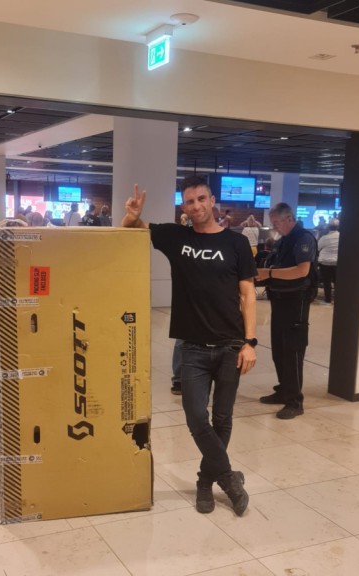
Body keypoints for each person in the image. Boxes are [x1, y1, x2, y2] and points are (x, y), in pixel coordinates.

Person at [122, 175, 257, 516]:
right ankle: (227, 478)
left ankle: (203, 481)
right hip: (193, 349)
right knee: (197, 416)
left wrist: (250, 342)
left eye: (201, 199)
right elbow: (130, 230)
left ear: (212, 201)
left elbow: (247, 294)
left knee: (223, 419)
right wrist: (131, 214)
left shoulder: (236, 243)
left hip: (230, 345)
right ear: (184, 207)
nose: (196, 206)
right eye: (189, 201)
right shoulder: (175, 236)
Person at [255, 202, 317, 420]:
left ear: (289, 219)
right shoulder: (283, 241)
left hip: (296, 302)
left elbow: (301, 271)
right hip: (279, 301)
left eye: (277, 223)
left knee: (293, 351)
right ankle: (284, 390)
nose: (275, 228)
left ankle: (295, 401)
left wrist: (269, 274)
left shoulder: (303, 239)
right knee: (279, 350)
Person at [318, 218, 340, 304]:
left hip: (325, 263)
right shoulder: (342, 236)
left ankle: (328, 299)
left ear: (328, 227)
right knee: (337, 281)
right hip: (337, 262)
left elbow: (318, 247)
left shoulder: (324, 238)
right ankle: (338, 299)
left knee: (327, 282)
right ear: (338, 227)